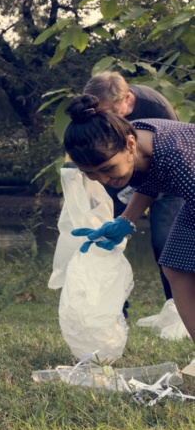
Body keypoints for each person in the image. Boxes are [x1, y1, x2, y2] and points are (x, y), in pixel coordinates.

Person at [65, 95, 195, 352]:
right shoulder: (133, 144)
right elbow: (152, 178)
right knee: (175, 268)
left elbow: (165, 169)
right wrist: (125, 221)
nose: (102, 179)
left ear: (130, 144)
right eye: (91, 174)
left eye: (107, 169)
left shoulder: (178, 157)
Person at [83, 72, 183, 301]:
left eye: (111, 114)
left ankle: (175, 308)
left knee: (166, 242)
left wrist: (138, 197)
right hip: (115, 177)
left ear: (127, 99)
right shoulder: (91, 112)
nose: (105, 122)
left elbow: (172, 163)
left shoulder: (156, 108)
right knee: (103, 238)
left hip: (166, 181)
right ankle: (112, 307)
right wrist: (125, 219)